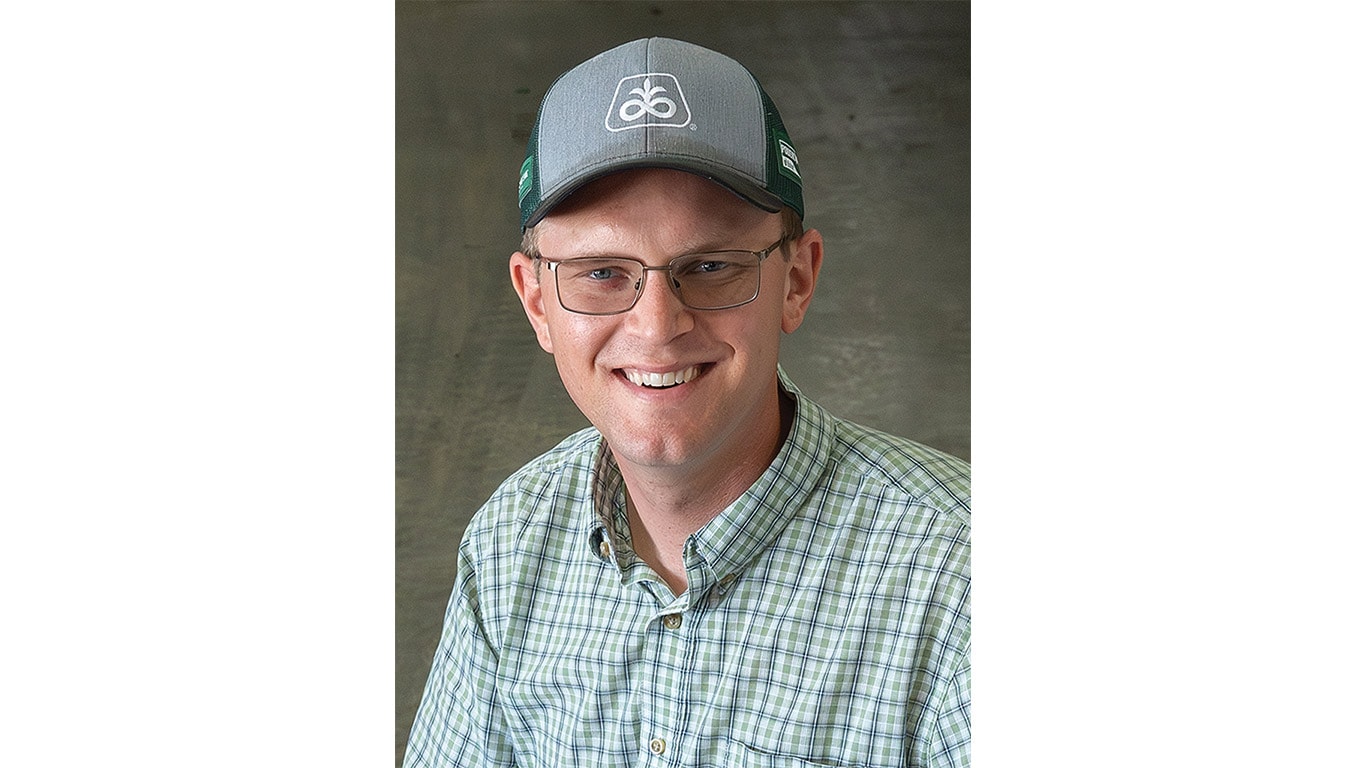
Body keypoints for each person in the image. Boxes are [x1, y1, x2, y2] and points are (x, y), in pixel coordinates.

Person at [403, 37, 970, 768]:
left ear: (796, 280)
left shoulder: (961, 578)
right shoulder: (510, 547)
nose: (658, 326)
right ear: (536, 299)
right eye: (601, 272)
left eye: (710, 266)